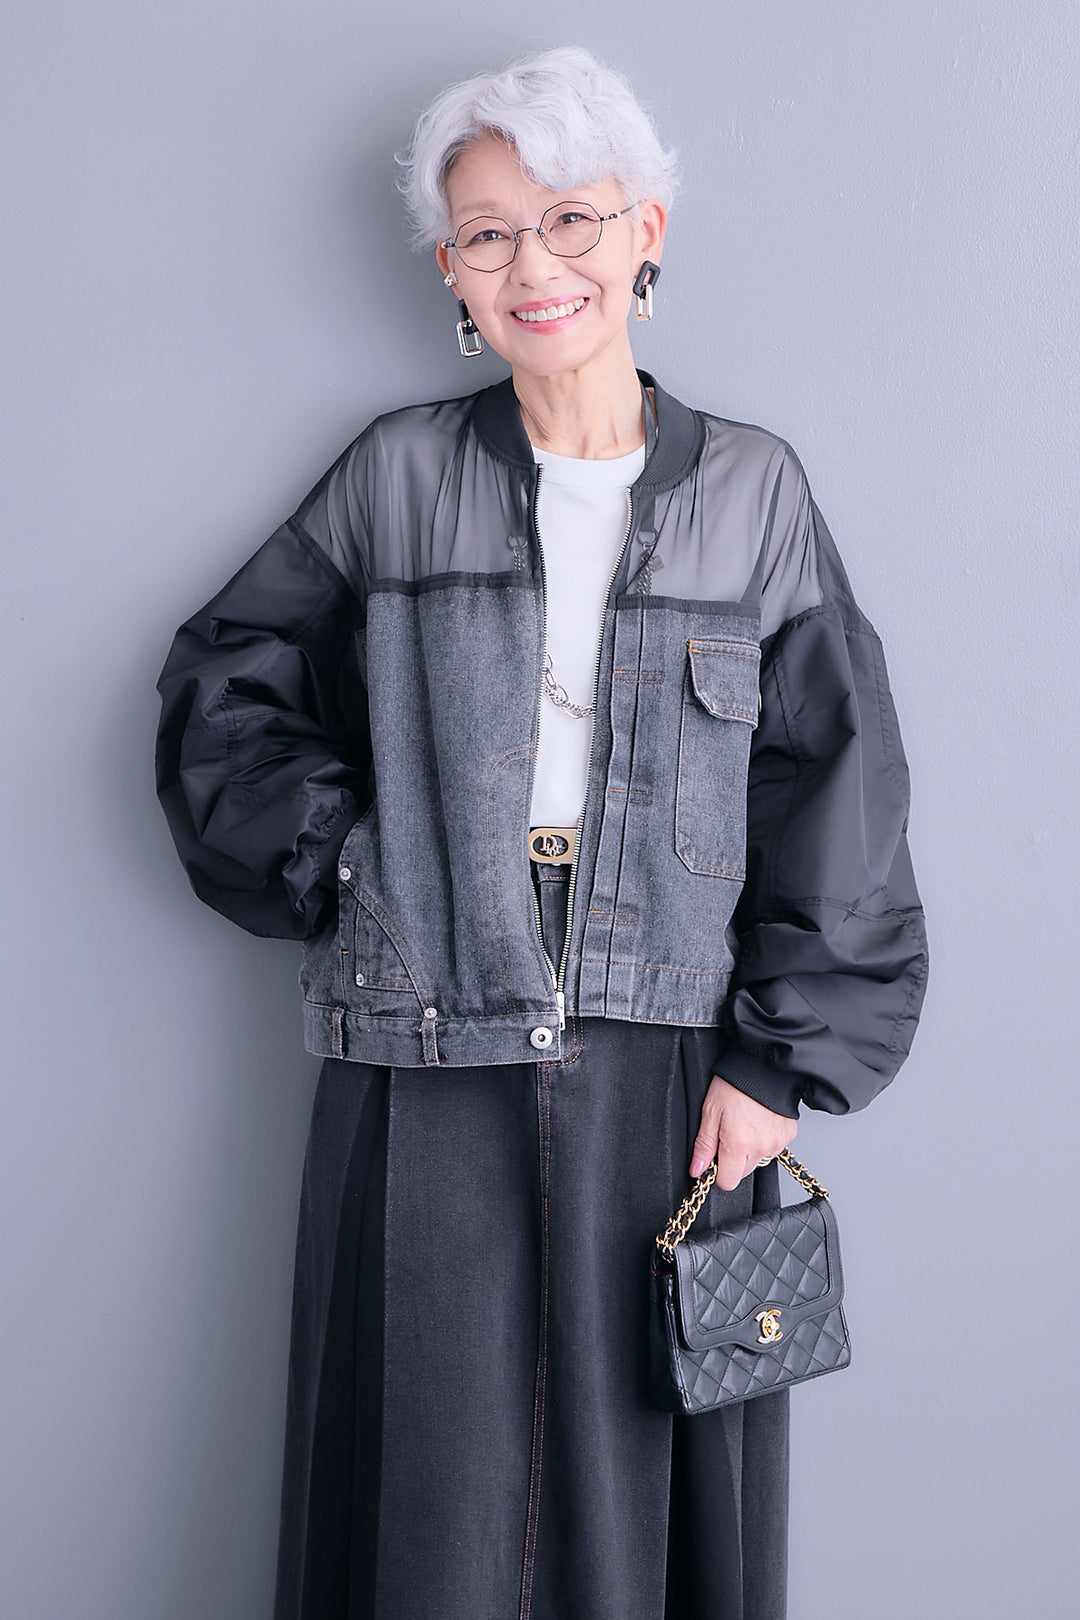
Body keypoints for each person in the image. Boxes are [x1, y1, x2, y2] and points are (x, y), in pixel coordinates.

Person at [155, 45, 928, 1620]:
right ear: (451, 272)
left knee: (646, 1484)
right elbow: (219, 698)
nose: (535, 265)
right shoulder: (394, 476)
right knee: (432, 1499)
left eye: (570, 219)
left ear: (645, 234)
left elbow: (838, 783)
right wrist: (358, 871)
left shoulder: (756, 495)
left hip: (678, 1063)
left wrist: (780, 1062)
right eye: (490, 233)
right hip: (423, 1035)